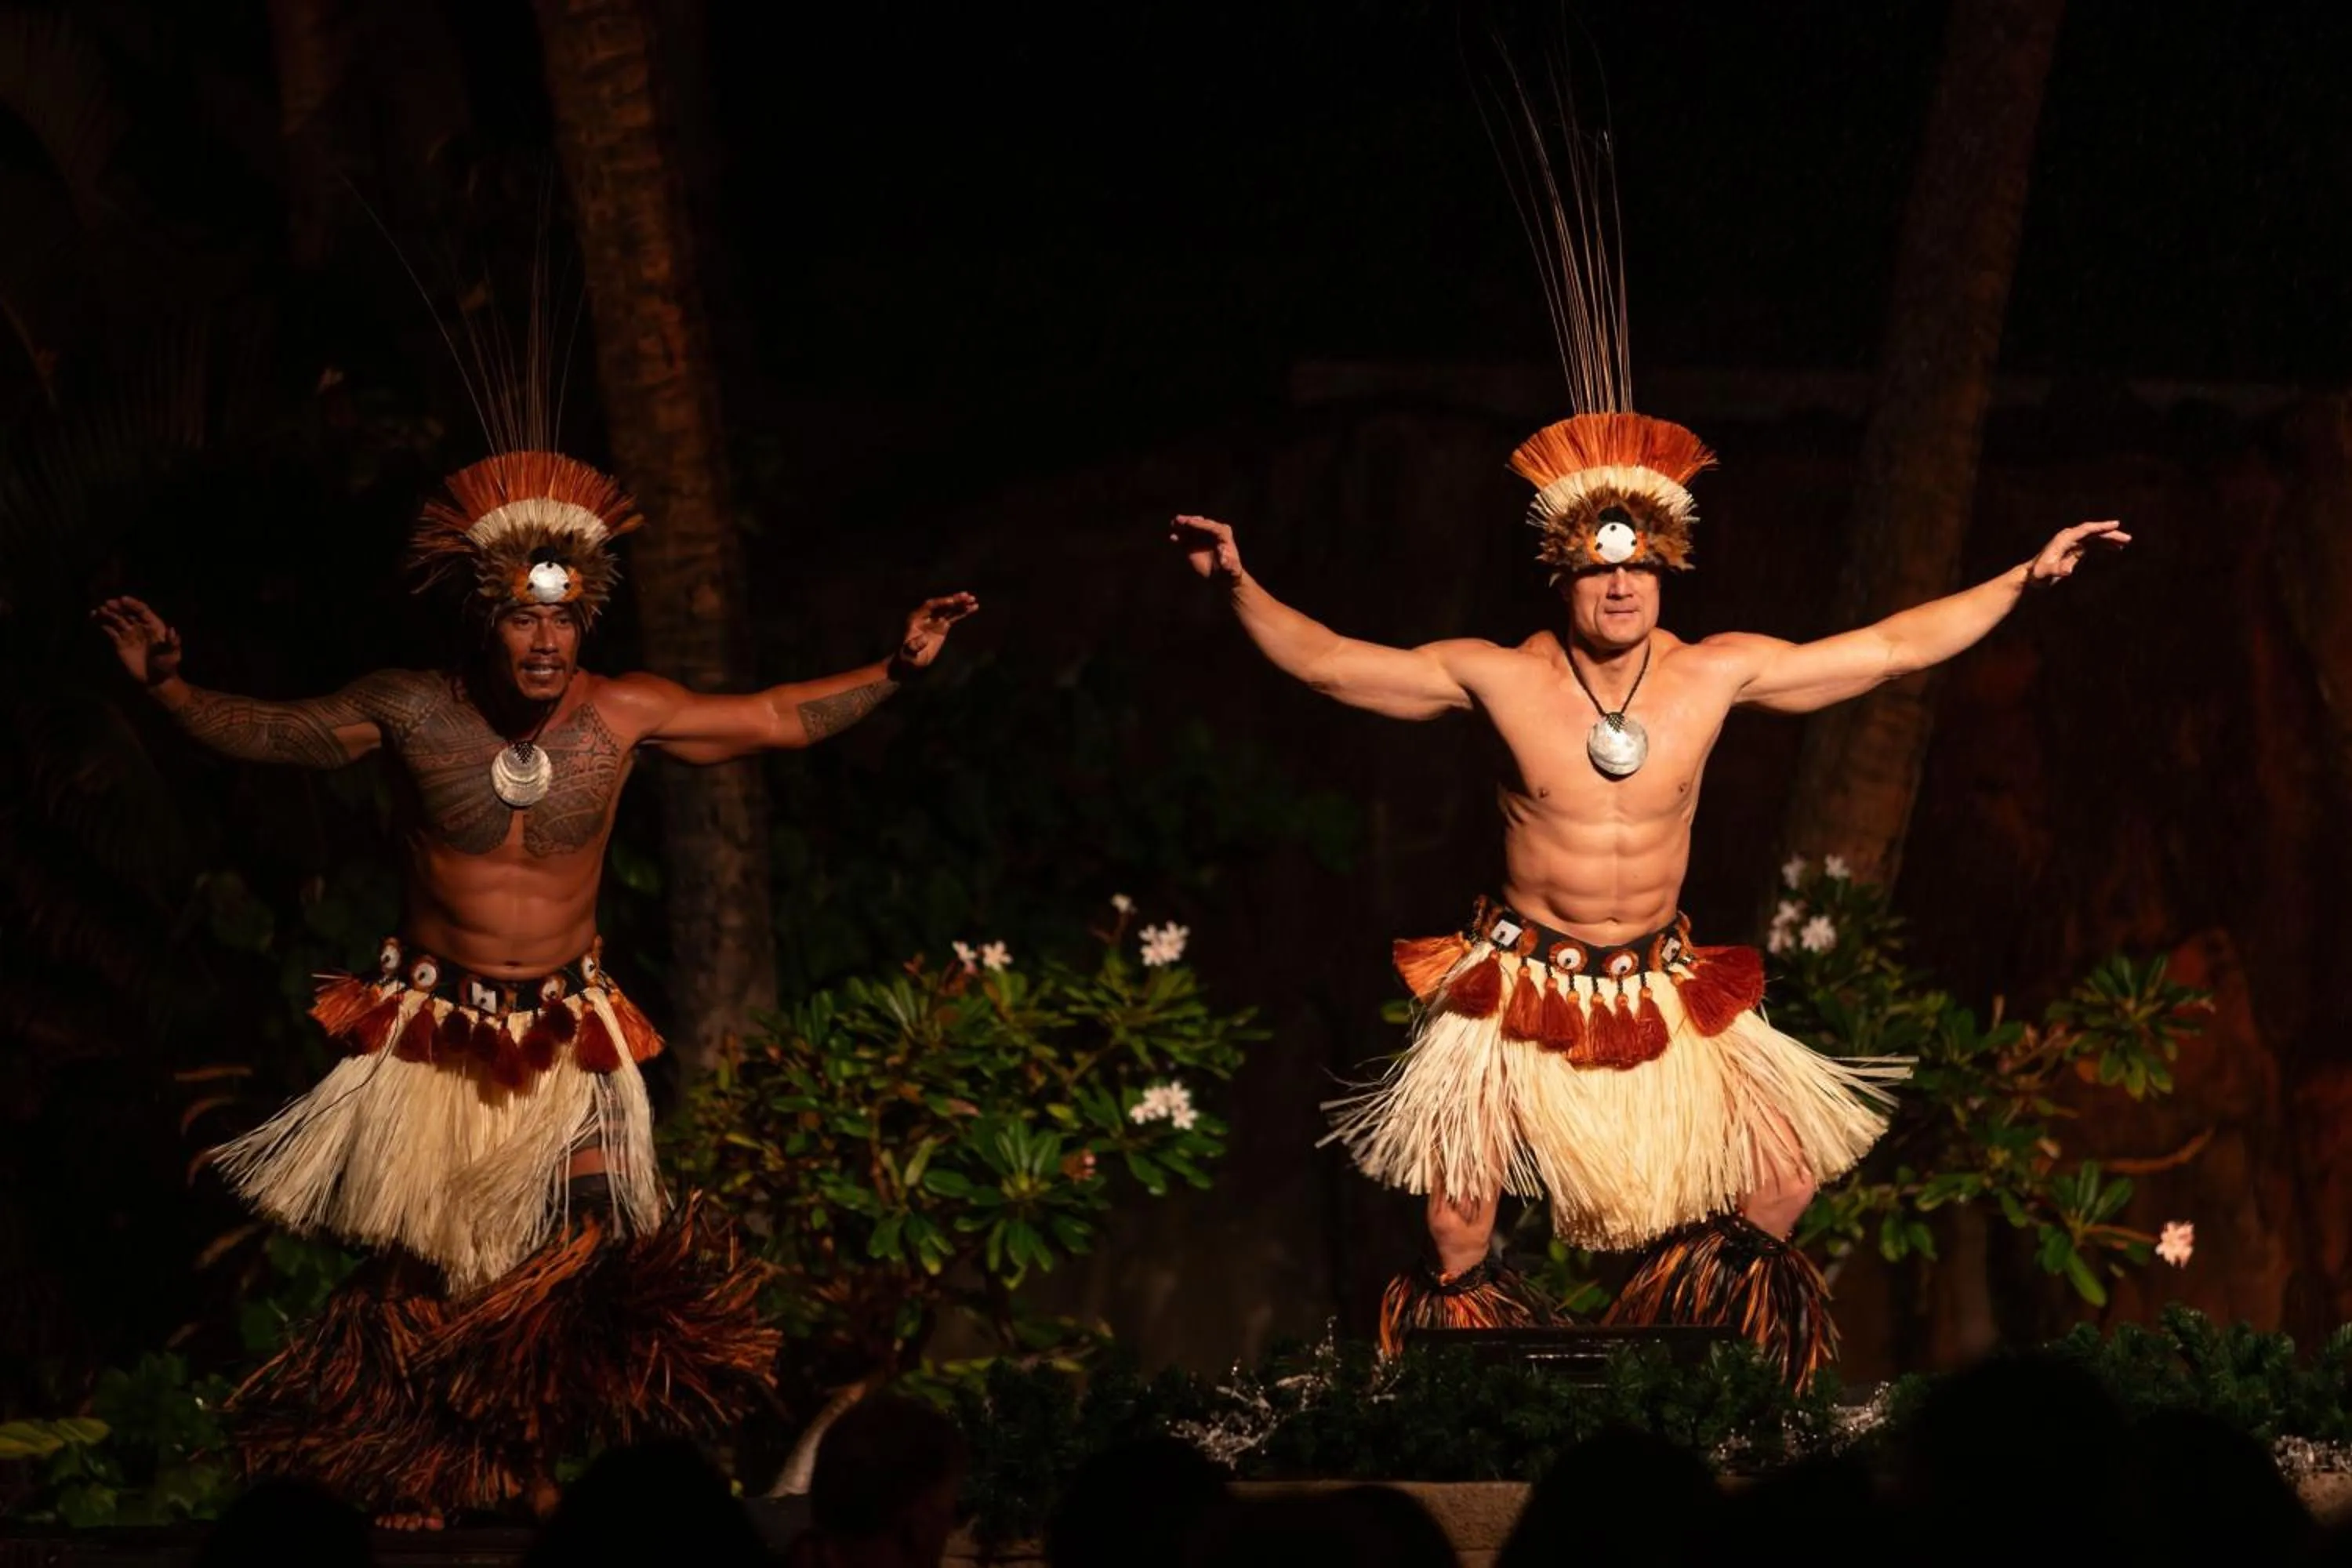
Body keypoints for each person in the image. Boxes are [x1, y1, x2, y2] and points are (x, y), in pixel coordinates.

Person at [94, 448, 977, 1520]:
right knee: (427, 1273)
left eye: (562, 620)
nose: (546, 641)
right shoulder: (412, 710)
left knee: (585, 1240)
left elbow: (773, 716)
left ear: (585, 621)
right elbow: (284, 733)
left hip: (567, 1028)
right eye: (523, 618)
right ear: (487, 619)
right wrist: (170, 687)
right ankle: (408, 1468)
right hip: (438, 1031)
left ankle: (521, 1456)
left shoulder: (626, 712)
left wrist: (895, 668)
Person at [1171, 439, 2124, 1378]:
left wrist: (2021, 579)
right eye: (1599, 568)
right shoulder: (1503, 677)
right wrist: (1239, 583)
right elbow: (1333, 663)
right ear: (1563, 576)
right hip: (1522, 976)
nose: (1621, 586)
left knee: (1783, 1178)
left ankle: (1677, 1369)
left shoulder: (1713, 672)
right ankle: (1473, 1399)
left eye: (1639, 568)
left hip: (1659, 979)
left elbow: (1887, 650)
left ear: (1666, 572)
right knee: (1457, 1220)